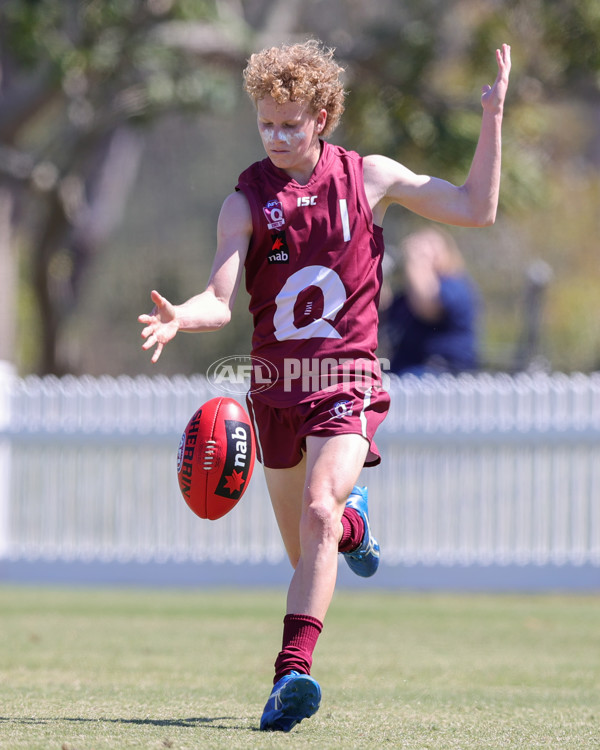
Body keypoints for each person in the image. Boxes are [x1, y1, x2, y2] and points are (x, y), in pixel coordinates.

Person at [138, 39, 511, 731]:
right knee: (307, 545)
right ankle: (354, 524)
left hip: (346, 376)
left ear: (323, 117)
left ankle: (290, 677)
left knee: (317, 512)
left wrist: (491, 118)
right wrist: (181, 317)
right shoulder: (243, 201)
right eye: (266, 123)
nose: (277, 135)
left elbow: (473, 208)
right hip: (276, 387)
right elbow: (221, 298)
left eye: (290, 122)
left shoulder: (367, 177)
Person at [382, 227, 481, 376]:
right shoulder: (408, 294)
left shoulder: (455, 285)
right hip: (403, 369)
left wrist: (416, 262)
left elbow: (427, 306)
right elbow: (380, 312)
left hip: (443, 372)